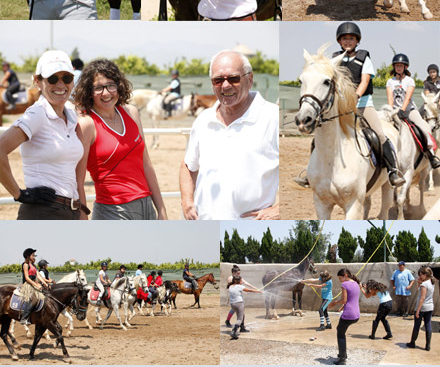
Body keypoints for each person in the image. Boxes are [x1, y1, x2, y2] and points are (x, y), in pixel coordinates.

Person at [294, 23, 403, 187]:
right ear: (339, 41)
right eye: (344, 38)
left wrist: (356, 96)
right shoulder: (334, 59)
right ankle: (310, 174)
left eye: (351, 38)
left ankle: (393, 171)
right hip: (340, 107)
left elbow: (365, 80)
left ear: (357, 40)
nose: (348, 41)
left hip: (363, 104)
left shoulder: (364, 58)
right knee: (320, 135)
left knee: (380, 135)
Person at [180, 50, 279, 220]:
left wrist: (279, 209)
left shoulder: (273, 117)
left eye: (233, 78)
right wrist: (187, 201)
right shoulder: (203, 120)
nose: (225, 85)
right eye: (218, 80)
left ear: (250, 79)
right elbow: (189, 165)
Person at [74, 58, 168, 221]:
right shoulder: (87, 125)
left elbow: (146, 164)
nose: (106, 93)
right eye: (98, 88)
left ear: (119, 86)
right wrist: (83, 219)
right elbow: (77, 181)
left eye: (111, 85)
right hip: (112, 211)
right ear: (89, 91)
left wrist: (161, 209)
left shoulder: (132, 113)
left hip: (147, 208)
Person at [0, 50, 88, 220]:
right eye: (53, 78)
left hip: (71, 210)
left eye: (67, 78)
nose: (61, 84)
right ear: (37, 81)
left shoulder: (70, 113)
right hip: (43, 211)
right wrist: (19, 194)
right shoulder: (37, 114)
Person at [387, 53, 440, 170]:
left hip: (409, 111)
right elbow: (390, 98)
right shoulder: (390, 82)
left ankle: (431, 156)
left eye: (401, 66)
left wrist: (402, 110)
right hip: (395, 111)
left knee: (424, 128)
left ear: (405, 67)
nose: (399, 68)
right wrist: (391, 111)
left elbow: (407, 98)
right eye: (397, 65)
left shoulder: (409, 81)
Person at [328, 268, 360, 365]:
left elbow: (344, 300)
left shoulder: (345, 284)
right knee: (340, 330)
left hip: (348, 314)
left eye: (340, 278)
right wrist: (342, 306)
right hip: (356, 314)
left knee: (340, 334)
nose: (340, 280)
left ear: (346, 275)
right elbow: (351, 299)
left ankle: (342, 358)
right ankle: (343, 354)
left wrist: (334, 303)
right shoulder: (356, 283)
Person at [407, 266, 435, 351]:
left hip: (422, 307)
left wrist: (418, 311)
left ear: (425, 275)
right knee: (428, 325)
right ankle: (428, 345)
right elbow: (419, 291)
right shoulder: (431, 282)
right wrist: (419, 282)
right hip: (430, 307)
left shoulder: (424, 284)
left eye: (421, 274)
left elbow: (422, 298)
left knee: (417, 325)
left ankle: (412, 342)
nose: (419, 276)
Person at [18, 248, 51, 320]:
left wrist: (45, 284)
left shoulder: (34, 265)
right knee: (34, 298)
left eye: (34, 256)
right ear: (28, 256)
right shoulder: (25, 265)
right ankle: (24, 317)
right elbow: (27, 278)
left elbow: (38, 275)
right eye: (33, 255)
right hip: (28, 285)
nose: (34, 257)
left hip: (34, 283)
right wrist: (36, 285)